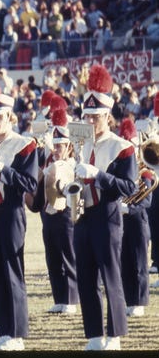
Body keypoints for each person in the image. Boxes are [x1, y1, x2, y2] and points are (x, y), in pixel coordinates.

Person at [73, 64, 137, 351]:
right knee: (85, 278)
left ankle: (114, 336)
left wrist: (98, 174)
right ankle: (95, 335)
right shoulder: (80, 144)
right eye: (86, 115)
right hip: (82, 216)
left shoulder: (122, 147)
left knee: (111, 277)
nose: (90, 121)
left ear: (107, 116)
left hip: (107, 216)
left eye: (95, 116)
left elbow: (128, 187)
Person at [0, 75, 38, 351]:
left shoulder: (24, 144)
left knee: (12, 271)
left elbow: (30, 183)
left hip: (12, 212)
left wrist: (3, 169)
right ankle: (3, 331)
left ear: (9, 116)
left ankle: (17, 335)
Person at [27, 108, 79, 314]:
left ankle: (72, 300)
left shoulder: (74, 164)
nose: (57, 149)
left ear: (69, 147)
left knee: (69, 256)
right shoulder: (48, 162)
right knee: (52, 257)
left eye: (61, 146)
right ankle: (59, 298)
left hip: (66, 215)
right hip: (48, 214)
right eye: (55, 145)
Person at [118, 118, 151, 317]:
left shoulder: (145, 170)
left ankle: (139, 301)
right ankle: (129, 299)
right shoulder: (120, 169)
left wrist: (128, 209)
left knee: (139, 262)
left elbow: (146, 201)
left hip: (138, 221)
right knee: (125, 261)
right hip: (121, 221)